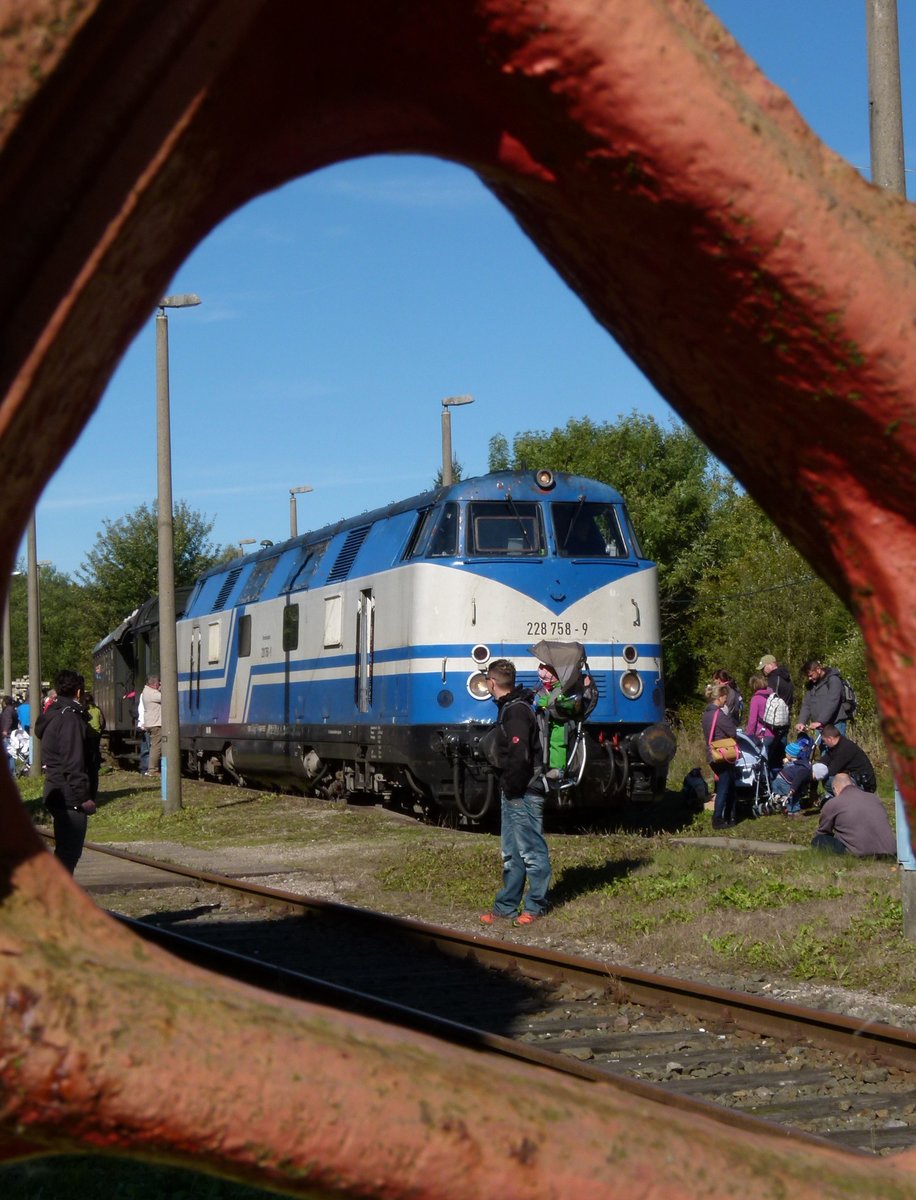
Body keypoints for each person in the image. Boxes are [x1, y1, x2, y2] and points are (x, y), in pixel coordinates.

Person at [479, 658, 550, 927]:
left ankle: (535, 906)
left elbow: (519, 756)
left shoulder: (516, 712)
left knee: (531, 852)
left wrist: (512, 787)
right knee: (512, 854)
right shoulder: (510, 707)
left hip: (524, 791)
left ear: (492, 682)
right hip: (514, 791)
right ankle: (505, 907)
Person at [34, 669, 93, 874]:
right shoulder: (70, 719)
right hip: (69, 796)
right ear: (78, 692)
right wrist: (83, 797)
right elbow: (73, 761)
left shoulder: (53, 715)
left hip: (56, 789)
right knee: (69, 854)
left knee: (64, 853)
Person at [811, 774, 895, 857]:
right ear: (853, 784)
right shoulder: (874, 798)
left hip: (861, 852)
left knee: (818, 840)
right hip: (889, 850)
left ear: (835, 789)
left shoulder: (833, 803)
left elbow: (823, 832)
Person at [533, 657, 578, 778]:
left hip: (560, 723)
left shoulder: (562, 689)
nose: (543, 681)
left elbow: (555, 700)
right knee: (549, 742)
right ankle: (547, 765)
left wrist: (542, 702)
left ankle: (559, 769)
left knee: (557, 743)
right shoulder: (553, 687)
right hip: (551, 721)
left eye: (545, 679)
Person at [702, 683, 738, 829]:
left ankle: (730, 816)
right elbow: (733, 732)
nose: (726, 701)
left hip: (712, 754)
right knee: (725, 786)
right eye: (725, 698)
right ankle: (718, 818)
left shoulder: (706, 714)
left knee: (728, 784)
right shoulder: (719, 714)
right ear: (720, 697)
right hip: (723, 754)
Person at [796, 660, 850, 736]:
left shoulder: (833, 680)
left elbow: (833, 701)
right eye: (808, 676)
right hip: (820, 726)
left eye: (811, 675)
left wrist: (820, 721)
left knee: (837, 747)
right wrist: (801, 722)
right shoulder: (812, 685)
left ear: (818, 669)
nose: (809, 678)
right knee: (822, 748)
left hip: (835, 724)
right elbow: (807, 704)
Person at [819, 724, 876, 794]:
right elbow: (825, 759)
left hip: (864, 784)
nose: (824, 743)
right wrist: (816, 767)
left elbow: (832, 770)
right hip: (854, 778)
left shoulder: (845, 748)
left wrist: (817, 773)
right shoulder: (836, 746)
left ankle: (850, 798)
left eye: (824, 741)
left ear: (830, 739)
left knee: (829, 780)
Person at [770, 741, 812, 816]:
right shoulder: (799, 763)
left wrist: (785, 763)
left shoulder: (791, 763)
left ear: (790, 755)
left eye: (786, 753)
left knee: (783, 794)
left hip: (778, 778)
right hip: (786, 780)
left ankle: (780, 804)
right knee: (793, 796)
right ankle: (793, 811)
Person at [83, 690, 107, 800]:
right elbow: (102, 722)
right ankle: (96, 764)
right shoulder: (97, 710)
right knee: (95, 751)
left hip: (87, 735)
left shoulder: (83, 711)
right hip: (96, 734)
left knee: (89, 752)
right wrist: (100, 731)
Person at [141, 674, 162, 776]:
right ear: (154, 684)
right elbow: (166, 697)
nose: (159, 684)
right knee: (156, 747)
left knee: (155, 746)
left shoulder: (147, 691)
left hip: (151, 723)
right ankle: (153, 769)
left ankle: (152, 769)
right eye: (159, 683)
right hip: (155, 723)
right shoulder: (152, 693)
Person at [0, 694, 20, 774]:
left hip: (7, 736)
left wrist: (5, 731)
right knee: (10, 755)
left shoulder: (7, 710)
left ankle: (10, 773)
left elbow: (8, 720)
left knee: (8, 755)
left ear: (4, 702)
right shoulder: (11, 709)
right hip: (10, 735)